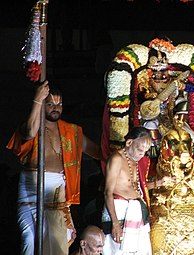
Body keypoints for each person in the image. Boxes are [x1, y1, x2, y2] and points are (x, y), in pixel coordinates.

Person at [6, 80, 102, 255]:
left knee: (62, 238)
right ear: (43, 105)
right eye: (50, 104)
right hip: (31, 191)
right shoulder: (33, 127)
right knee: (30, 239)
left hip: (58, 193)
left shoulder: (71, 131)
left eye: (59, 104)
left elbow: (98, 152)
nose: (56, 108)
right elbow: (28, 132)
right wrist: (37, 100)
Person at [101, 127, 152, 255]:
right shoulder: (117, 158)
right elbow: (108, 192)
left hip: (136, 212)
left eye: (145, 151)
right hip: (119, 212)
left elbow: (136, 188)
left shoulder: (136, 161)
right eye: (140, 150)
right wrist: (115, 223)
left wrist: (160, 183)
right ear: (129, 143)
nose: (142, 154)